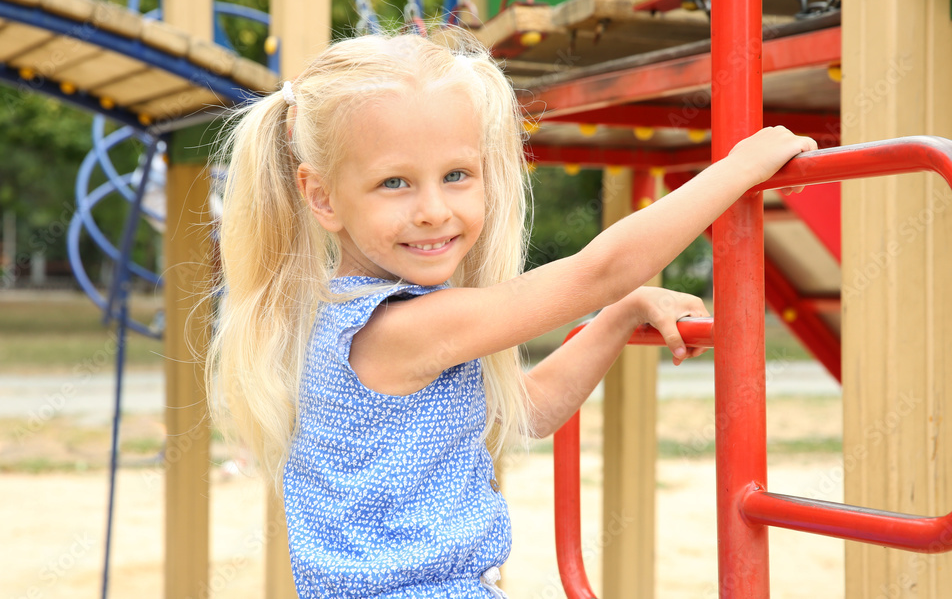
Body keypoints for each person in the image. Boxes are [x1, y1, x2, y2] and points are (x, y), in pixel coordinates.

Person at [204, 31, 815, 598]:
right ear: (322, 197)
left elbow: (530, 408)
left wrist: (620, 315)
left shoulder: (354, 319)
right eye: (395, 182)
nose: (433, 209)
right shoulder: (394, 329)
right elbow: (598, 270)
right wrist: (739, 169)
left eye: (456, 175)